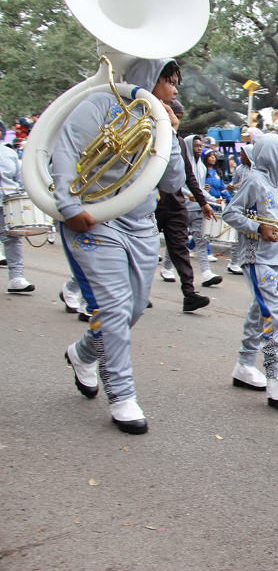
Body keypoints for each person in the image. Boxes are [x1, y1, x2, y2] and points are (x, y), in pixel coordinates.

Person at [54, 57, 187, 434]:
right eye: (170, 80)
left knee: (131, 310)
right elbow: (65, 150)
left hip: (142, 225)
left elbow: (172, 184)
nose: (175, 89)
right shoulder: (99, 104)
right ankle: (122, 395)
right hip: (96, 220)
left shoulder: (162, 121)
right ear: (150, 78)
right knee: (112, 309)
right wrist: (68, 206)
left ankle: (81, 354)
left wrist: (170, 134)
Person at [222, 134, 278, 407]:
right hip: (258, 259)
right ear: (271, 156)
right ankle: (275, 376)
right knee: (271, 316)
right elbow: (231, 213)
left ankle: (244, 365)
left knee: (261, 311)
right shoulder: (254, 181)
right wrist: (258, 228)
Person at [155, 101, 215, 312]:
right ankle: (138, 292)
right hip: (151, 205)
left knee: (180, 248)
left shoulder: (178, 143)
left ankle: (189, 294)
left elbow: (189, 176)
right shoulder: (148, 136)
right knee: (144, 250)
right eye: (173, 116)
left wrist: (203, 202)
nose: (176, 120)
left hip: (175, 205)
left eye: (179, 117)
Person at [1, 125, 35, 293]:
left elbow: (20, 180)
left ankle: (16, 278)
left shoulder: (10, 153)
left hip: (7, 203)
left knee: (12, 238)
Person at [225, 144, 254, 275]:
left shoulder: (257, 170)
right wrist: (231, 187)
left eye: (243, 155)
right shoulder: (239, 169)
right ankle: (233, 262)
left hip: (252, 207)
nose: (240, 157)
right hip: (241, 206)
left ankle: (248, 261)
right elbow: (234, 184)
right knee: (238, 237)